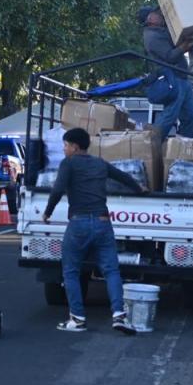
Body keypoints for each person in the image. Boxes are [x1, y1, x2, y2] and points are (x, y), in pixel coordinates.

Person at [42, 127, 145, 334]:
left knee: (70, 271)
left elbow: (58, 189)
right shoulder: (100, 163)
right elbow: (123, 177)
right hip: (103, 223)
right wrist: (140, 189)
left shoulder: (68, 164)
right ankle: (119, 316)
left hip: (79, 223)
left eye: (65, 145)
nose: (63, 149)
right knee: (111, 270)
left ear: (74, 146)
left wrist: (48, 213)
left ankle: (78, 319)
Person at [138, 6, 193, 138]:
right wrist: (184, 47)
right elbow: (170, 57)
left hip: (182, 78)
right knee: (169, 116)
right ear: (150, 18)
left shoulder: (160, 31)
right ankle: (152, 143)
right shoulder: (152, 37)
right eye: (156, 13)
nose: (160, 15)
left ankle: (185, 147)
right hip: (173, 78)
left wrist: (186, 43)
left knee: (191, 117)